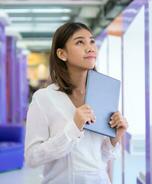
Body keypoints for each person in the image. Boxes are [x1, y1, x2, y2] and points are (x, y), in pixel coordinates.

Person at [25, 22, 128, 184]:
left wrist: (116, 137)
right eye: (80, 42)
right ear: (62, 54)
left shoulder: (104, 94)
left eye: (92, 41)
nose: (90, 48)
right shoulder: (44, 98)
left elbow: (102, 156)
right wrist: (73, 128)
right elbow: (32, 158)